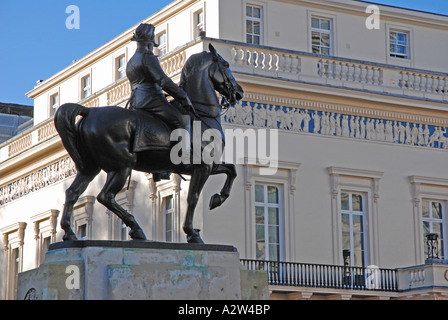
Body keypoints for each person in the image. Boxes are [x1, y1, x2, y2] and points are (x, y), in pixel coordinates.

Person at [126, 23, 195, 176]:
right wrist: (183, 96)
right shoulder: (148, 57)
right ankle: (184, 159)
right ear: (150, 42)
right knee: (181, 120)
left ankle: (159, 170)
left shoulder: (131, 61)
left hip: (136, 102)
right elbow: (163, 81)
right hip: (151, 100)